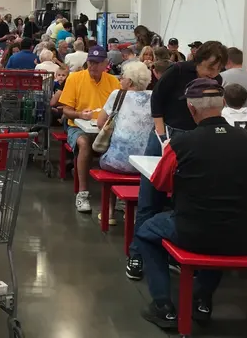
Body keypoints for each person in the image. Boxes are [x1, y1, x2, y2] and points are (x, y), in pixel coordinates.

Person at [135, 78, 247, 330]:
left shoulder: (181, 144)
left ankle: (163, 305)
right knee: (220, 233)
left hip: (192, 230)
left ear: (191, 108)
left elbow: (161, 183)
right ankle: (202, 299)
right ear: (223, 103)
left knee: (146, 231)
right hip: (243, 234)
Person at [126, 40, 227, 281]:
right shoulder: (177, 71)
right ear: (199, 60)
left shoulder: (216, 83)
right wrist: (162, 137)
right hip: (165, 135)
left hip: (194, 142)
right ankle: (137, 254)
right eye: (210, 67)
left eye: (218, 69)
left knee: (183, 199)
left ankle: (173, 254)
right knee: (149, 197)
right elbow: (157, 103)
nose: (213, 73)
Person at [59, 45, 121, 213]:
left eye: (97, 62)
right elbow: (66, 110)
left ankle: (116, 196)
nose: (93, 66)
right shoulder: (74, 78)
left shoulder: (113, 82)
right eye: (91, 62)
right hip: (77, 126)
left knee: (120, 143)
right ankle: (83, 193)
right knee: (84, 143)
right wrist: (79, 114)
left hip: (104, 128)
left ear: (106, 64)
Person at [95, 62, 154, 224]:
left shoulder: (118, 95)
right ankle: (133, 211)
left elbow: (101, 123)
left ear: (130, 81)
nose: (120, 79)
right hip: (145, 163)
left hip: (118, 162)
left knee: (108, 156)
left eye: (123, 77)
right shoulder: (154, 97)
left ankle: (110, 212)